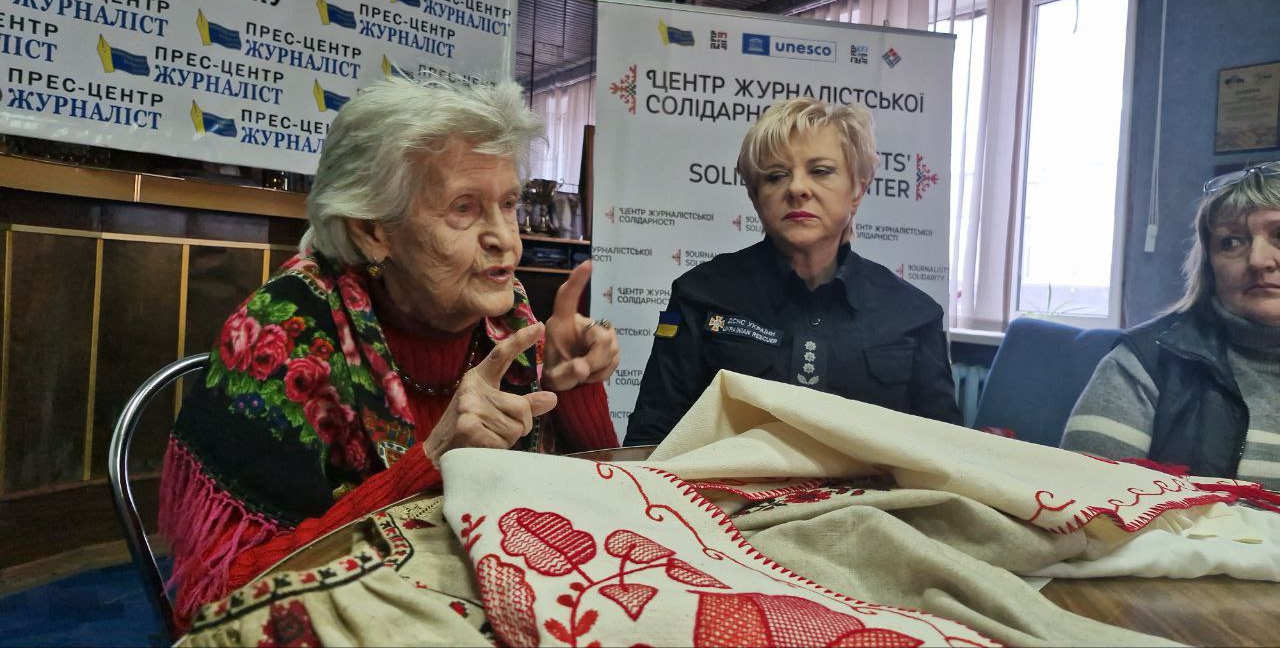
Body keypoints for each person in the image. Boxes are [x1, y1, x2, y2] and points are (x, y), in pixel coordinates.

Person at [159, 78, 620, 628]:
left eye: (508, 203)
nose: (506, 239)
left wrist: (571, 387)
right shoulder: (282, 336)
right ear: (372, 231)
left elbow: (595, 509)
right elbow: (222, 598)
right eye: (464, 209)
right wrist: (433, 459)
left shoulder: (508, 320)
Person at [625, 97, 959, 446]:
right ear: (755, 197)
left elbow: (946, 453)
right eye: (775, 176)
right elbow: (651, 438)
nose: (797, 188)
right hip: (728, 483)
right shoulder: (700, 295)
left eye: (820, 171)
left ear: (858, 188)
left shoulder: (913, 314)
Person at [1063, 162, 1280, 489]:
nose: (1258, 260)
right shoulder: (1146, 361)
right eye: (1231, 242)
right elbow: (1082, 499)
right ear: (1210, 267)